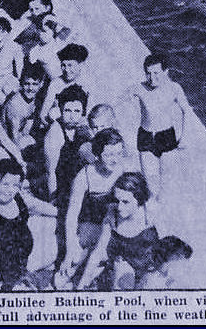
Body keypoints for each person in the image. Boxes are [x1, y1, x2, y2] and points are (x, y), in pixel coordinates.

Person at [0, 158, 56, 291]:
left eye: (15, 186)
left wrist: (66, 213)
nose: (10, 190)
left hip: (20, 257)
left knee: (58, 223)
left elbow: (37, 206)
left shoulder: (15, 197)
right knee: (66, 247)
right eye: (5, 184)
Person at [57, 128, 129, 281]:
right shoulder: (84, 177)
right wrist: (70, 250)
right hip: (89, 227)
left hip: (114, 227)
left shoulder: (122, 170)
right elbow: (72, 216)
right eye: (109, 155)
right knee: (69, 267)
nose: (115, 160)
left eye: (118, 154)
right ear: (97, 154)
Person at [125, 54, 191, 200]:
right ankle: (151, 211)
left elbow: (186, 110)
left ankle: (163, 210)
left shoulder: (174, 88)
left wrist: (184, 137)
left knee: (166, 182)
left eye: (156, 73)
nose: (152, 78)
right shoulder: (138, 88)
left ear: (165, 71)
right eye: (148, 73)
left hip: (166, 136)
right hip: (146, 136)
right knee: (150, 184)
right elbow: (122, 105)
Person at [77, 172, 158, 290]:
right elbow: (99, 251)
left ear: (139, 198)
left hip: (147, 270)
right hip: (121, 266)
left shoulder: (150, 214)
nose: (119, 207)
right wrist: (80, 286)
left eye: (125, 202)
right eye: (117, 200)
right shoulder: (113, 213)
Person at [43, 84, 90, 202]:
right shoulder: (55, 132)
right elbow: (50, 173)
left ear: (83, 112)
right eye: (67, 110)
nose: (72, 116)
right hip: (60, 186)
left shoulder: (84, 128)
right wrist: (53, 201)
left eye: (77, 111)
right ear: (60, 110)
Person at [39, 43, 90, 126]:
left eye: (70, 65)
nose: (66, 70)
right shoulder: (56, 83)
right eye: (63, 65)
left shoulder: (87, 84)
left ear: (81, 65)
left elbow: (90, 115)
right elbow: (43, 114)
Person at [3, 62, 45, 150]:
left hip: (22, 134)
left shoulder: (35, 100)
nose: (30, 88)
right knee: (28, 142)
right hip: (7, 139)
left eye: (34, 84)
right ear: (21, 84)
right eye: (27, 84)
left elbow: (27, 129)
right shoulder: (15, 104)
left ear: (41, 84)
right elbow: (14, 136)